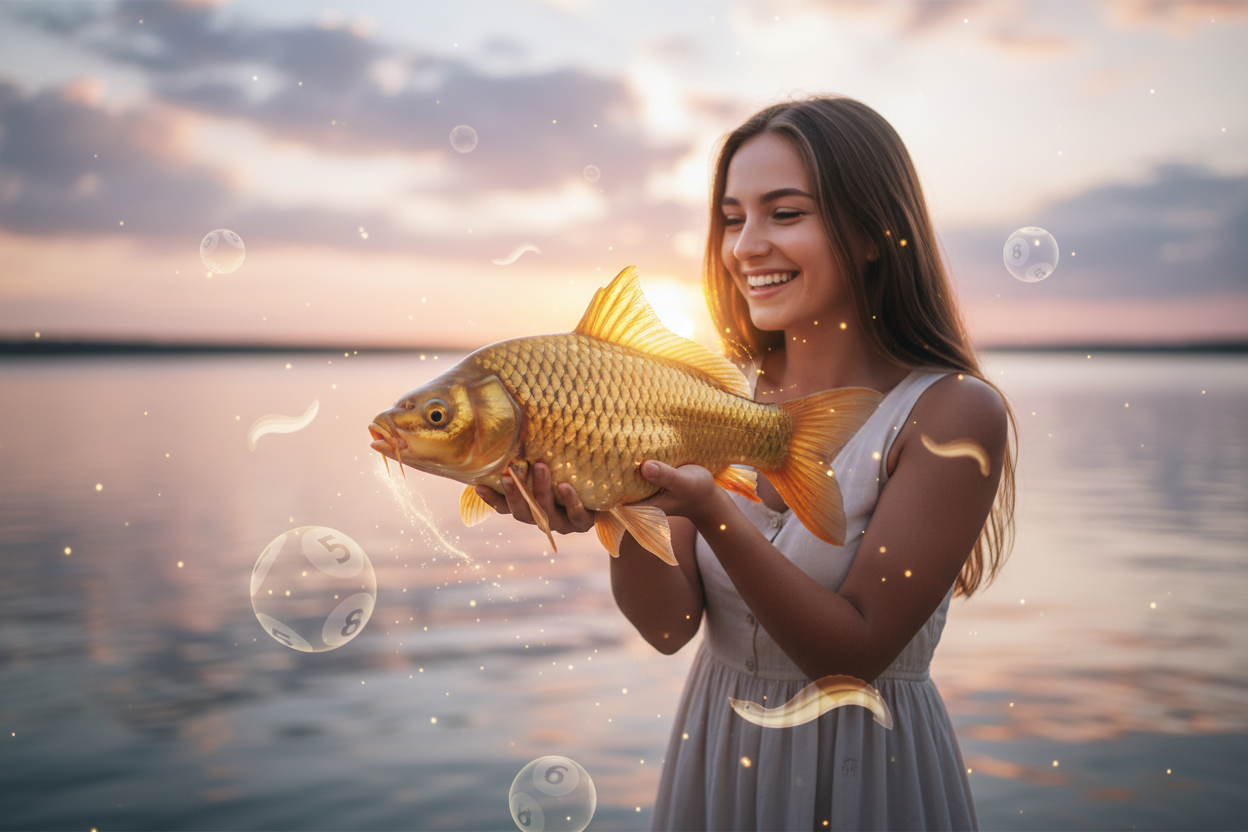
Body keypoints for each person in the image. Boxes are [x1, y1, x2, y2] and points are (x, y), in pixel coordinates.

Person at [477, 96, 1015, 831]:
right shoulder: (710, 392)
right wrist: (615, 505)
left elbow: (851, 659)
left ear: (871, 232)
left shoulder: (953, 412)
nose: (746, 247)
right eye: (732, 219)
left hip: (865, 769)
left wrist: (709, 508)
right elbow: (668, 627)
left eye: (784, 214)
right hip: (718, 756)